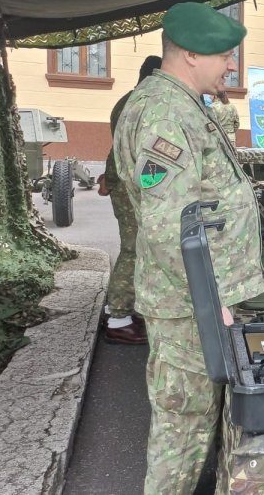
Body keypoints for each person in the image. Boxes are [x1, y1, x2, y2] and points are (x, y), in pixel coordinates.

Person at [113, 2, 264, 495]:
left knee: (199, 420)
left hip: (199, 301)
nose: (229, 66)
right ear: (193, 55)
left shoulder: (180, 104)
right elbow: (168, 227)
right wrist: (210, 303)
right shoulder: (164, 112)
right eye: (224, 56)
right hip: (189, 308)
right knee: (182, 428)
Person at [98, 55, 161, 345]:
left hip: (125, 182)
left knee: (138, 247)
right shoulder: (141, 104)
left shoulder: (129, 99)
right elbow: (143, 154)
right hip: (130, 186)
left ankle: (128, 311)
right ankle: (119, 318)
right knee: (133, 248)